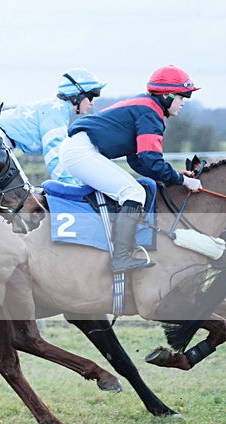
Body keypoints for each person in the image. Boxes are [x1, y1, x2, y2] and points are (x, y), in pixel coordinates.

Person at [59, 65, 202, 273]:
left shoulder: (146, 106)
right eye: (181, 97)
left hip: (79, 150)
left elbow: (139, 161)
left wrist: (174, 176)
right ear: (167, 96)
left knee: (134, 189)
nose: (183, 103)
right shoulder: (151, 112)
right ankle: (121, 257)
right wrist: (183, 180)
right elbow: (150, 161)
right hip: (81, 152)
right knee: (134, 193)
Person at [0, 68, 106, 184]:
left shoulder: (58, 109)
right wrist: (74, 188)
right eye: (91, 97)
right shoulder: (56, 113)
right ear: (76, 96)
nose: (91, 103)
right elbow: (54, 159)